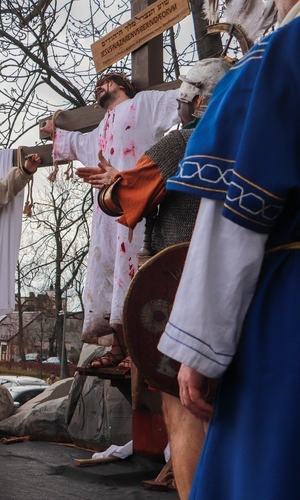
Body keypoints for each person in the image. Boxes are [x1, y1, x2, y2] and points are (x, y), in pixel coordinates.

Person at [157, 4, 300, 497]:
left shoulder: (276, 59)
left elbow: (234, 218)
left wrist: (198, 345)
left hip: (271, 299)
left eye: (189, 95)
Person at [93, 58, 231, 500]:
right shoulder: (256, 140)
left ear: (200, 100)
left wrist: (113, 184)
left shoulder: (184, 142)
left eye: (187, 100)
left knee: (184, 401)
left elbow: (122, 202)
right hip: (248, 286)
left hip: (185, 289)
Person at [40, 72, 179, 369]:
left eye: (106, 81)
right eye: (97, 84)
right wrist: (54, 132)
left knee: (134, 274)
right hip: (105, 217)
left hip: (138, 205)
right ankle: (118, 347)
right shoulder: (102, 126)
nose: (99, 86)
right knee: (108, 276)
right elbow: (77, 143)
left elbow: (184, 100)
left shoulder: (146, 103)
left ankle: (139, 349)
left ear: (122, 85)